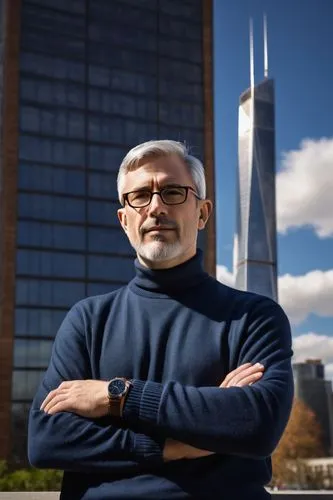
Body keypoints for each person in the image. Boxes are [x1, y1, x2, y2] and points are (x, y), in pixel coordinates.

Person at [28, 140, 294, 499]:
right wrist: (174, 444)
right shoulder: (88, 319)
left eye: (172, 192)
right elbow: (47, 440)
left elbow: (257, 425)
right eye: (139, 195)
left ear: (202, 213)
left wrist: (117, 396)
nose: (155, 208)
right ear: (125, 220)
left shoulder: (254, 317)